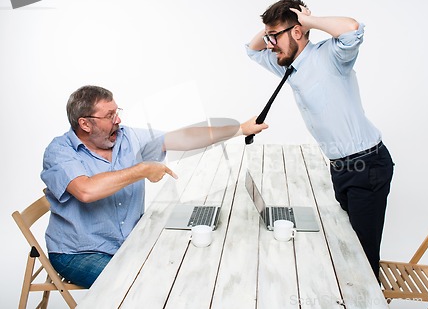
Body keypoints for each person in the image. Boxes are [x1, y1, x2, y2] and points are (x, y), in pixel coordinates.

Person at [41, 85, 268, 288]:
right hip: (79, 252)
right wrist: (141, 170)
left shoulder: (127, 137)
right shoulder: (60, 151)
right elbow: (86, 190)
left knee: (186, 269)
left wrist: (240, 129)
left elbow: (182, 137)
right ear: (85, 123)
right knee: (141, 286)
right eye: (110, 115)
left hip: (128, 241)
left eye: (117, 112)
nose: (117, 120)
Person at [246, 0, 394, 280]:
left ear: (298, 32)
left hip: (368, 166)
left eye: (274, 36)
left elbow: (352, 28)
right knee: (349, 248)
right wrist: (271, 32)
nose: (270, 43)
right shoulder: (286, 63)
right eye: (269, 36)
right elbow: (251, 51)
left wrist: (308, 21)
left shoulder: (331, 56)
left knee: (362, 258)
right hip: (341, 167)